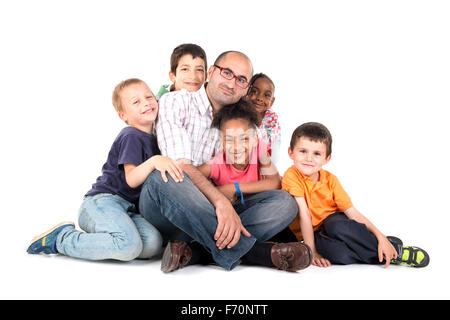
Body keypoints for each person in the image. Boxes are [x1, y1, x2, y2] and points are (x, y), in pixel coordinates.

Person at [139, 51, 305, 272]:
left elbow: (269, 176)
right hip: (173, 207)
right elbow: (182, 167)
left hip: (213, 214)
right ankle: (256, 253)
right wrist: (221, 201)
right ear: (211, 72)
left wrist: (231, 193)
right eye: (227, 73)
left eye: (241, 79)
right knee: (164, 178)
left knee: (284, 203)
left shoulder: (246, 124)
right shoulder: (176, 102)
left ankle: (197, 250)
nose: (232, 82)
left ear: (246, 88)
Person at [27, 78, 184, 262]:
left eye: (149, 96)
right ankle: (62, 239)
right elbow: (132, 179)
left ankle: (111, 239)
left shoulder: (158, 138)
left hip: (129, 211)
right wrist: (155, 160)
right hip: (102, 203)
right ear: (123, 115)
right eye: (136, 102)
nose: (146, 102)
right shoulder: (131, 135)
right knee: (128, 246)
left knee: (152, 245)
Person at [282, 122, 430, 268]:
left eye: (316, 154)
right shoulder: (292, 176)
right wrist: (312, 251)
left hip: (335, 223)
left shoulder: (330, 179)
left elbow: (352, 212)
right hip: (314, 233)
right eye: (303, 151)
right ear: (291, 152)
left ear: (327, 159)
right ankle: (380, 249)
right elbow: (304, 215)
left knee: (337, 227)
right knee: (337, 254)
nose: (309, 158)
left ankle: (395, 251)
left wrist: (381, 235)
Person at [196, 99, 311, 271]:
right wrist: (216, 194)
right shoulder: (217, 162)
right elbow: (192, 177)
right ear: (221, 141)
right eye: (229, 140)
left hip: (254, 214)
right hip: (226, 216)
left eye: (244, 139)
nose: (236, 147)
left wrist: (234, 187)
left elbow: (274, 182)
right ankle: (246, 249)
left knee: (286, 202)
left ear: (255, 139)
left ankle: (210, 246)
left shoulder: (260, 151)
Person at [246, 73, 281, 162]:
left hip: (263, 153)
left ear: (272, 102)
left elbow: (267, 141)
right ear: (247, 92)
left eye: (266, 95)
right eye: (255, 91)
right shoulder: (240, 110)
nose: (260, 98)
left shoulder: (272, 118)